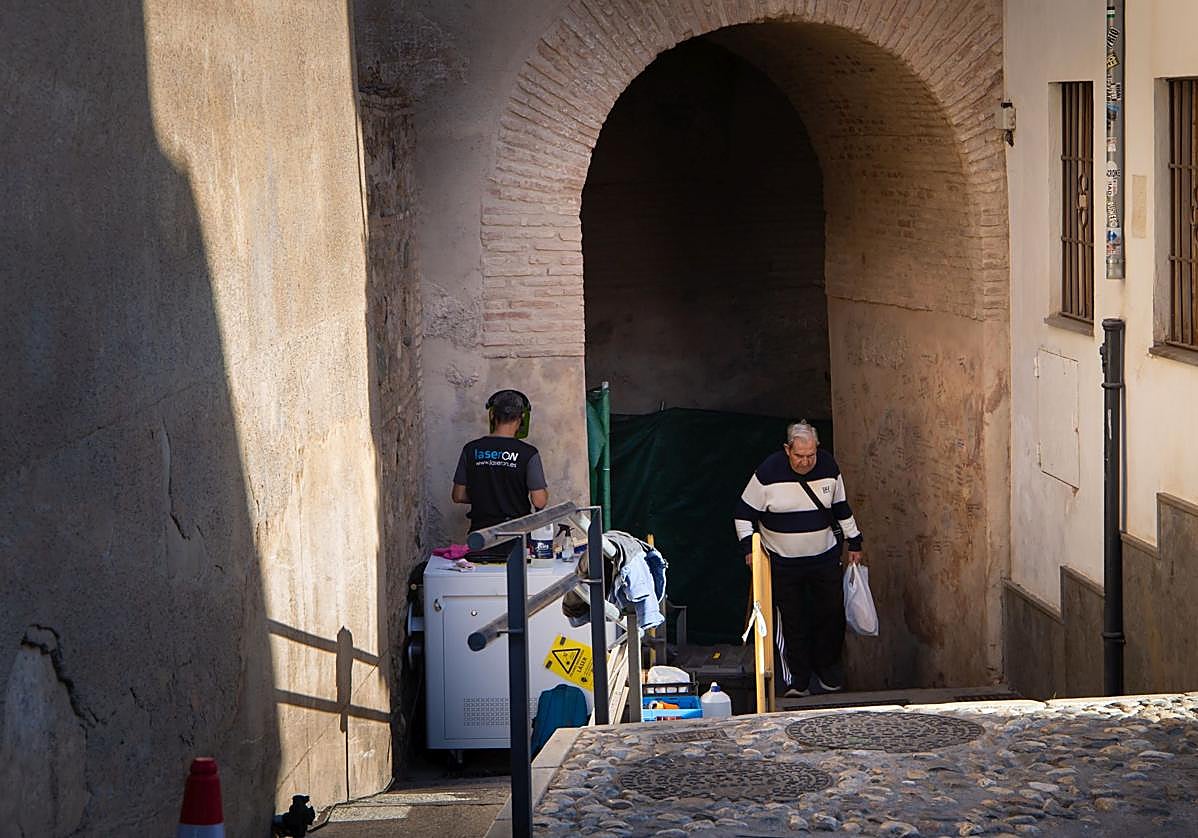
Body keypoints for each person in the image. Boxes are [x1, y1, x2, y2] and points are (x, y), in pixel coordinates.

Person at [733, 420, 863, 697]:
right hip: (782, 561)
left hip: (825, 557)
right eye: (799, 456)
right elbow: (744, 514)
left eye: (811, 455)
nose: (805, 462)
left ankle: (827, 674)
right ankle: (798, 682)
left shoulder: (829, 467)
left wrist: (855, 541)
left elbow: (840, 506)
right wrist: (748, 549)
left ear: (818, 449)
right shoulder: (768, 472)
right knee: (792, 622)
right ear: (787, 450)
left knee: (832, 615)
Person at [452, 389, 549, 533]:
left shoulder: (471, 449)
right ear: (522, 417)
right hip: (517, 535)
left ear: (492, 415)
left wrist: (486, 497)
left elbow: (458, 495)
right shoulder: (528, 453)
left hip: (480, 535)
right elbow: (539, 500)